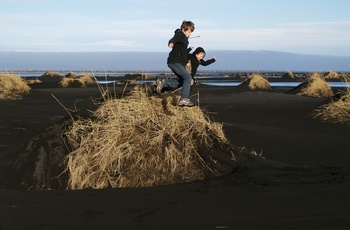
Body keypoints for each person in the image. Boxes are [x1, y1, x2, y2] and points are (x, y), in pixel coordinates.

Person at [164, 20, 195, 107]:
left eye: (191, 32)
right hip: (174, 62)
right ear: (183, 29)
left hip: (178, 62)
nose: (190, 34)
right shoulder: (180, 35)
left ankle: (164, 83)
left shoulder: (184, 39)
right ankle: (184, 99)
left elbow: (183, 52)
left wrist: (185, 62)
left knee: (184, 81)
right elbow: (173, 39)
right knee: (188, 77)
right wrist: (171, 43)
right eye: (189, 31)